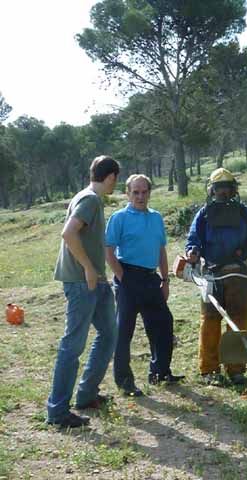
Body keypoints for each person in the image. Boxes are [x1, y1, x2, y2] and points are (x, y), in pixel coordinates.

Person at [46, 155, 120, 428]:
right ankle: (57, 412)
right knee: (73, 345)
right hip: (81, 282)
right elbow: (68, 233)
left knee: (109, 332)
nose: (116, 184)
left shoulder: (89, 197)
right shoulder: (89, 199)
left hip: (97, 282)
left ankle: (87, 394)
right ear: (110, 176)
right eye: (116, 179)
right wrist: (88, 268)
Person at [185, 168, 247, 386]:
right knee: (210, 322)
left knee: (239, 320)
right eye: (219, 188)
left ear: (234, 190)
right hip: (212, 275)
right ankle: (209, 370)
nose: (223, 192)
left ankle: (236, 369)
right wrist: (193, 251)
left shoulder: (244, 213)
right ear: (212, 190)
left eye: (227, 188)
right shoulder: (204, 214)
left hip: (238, 274)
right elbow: (193, 238)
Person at [105, 174, 184, 397]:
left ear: (150, 193)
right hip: (127, 276)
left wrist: (165, 280)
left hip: (151, 279)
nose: (140, 196)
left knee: (163, 323)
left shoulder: (156, 218)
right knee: (124, 331)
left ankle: (160, 372)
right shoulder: (119, 218)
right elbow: (108, 250)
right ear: (128, 194)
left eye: (144, 192)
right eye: (135, 192)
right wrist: (122, 278)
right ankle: (125, 381)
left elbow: (160, 250)